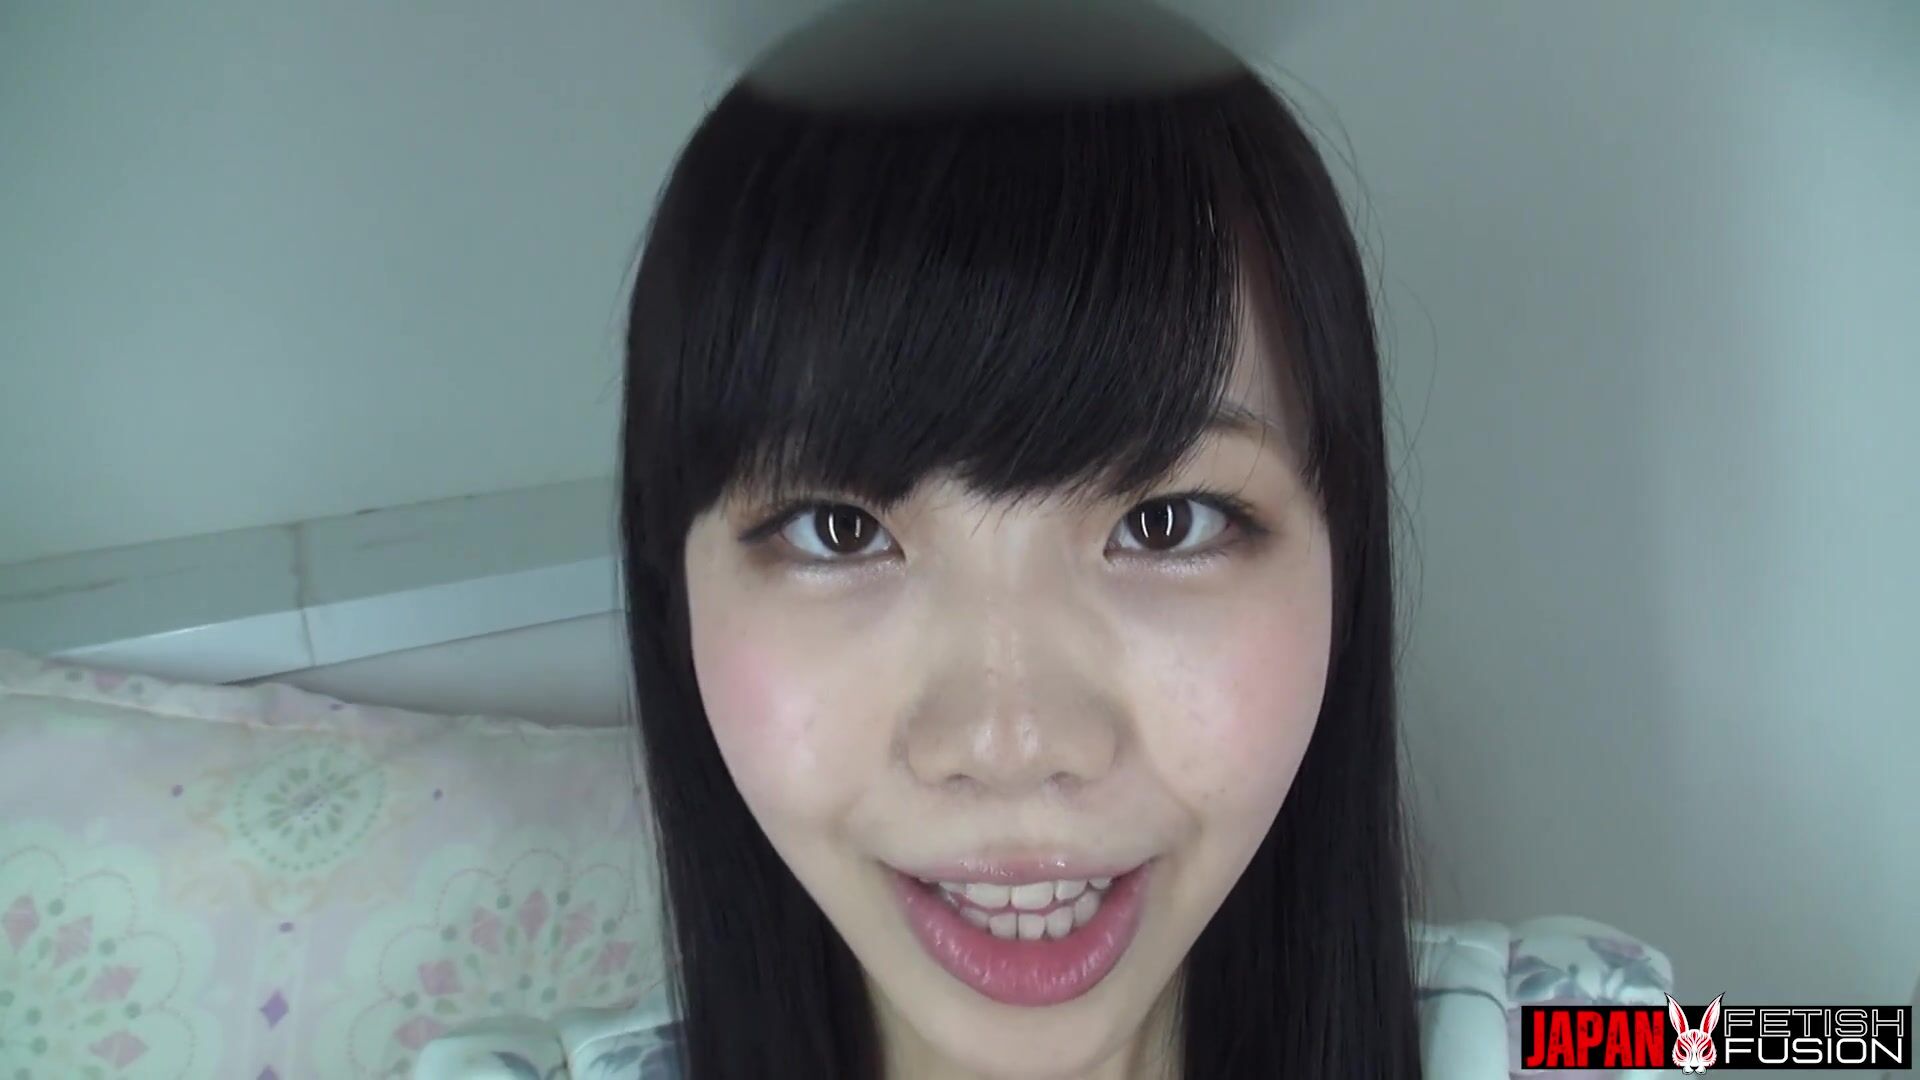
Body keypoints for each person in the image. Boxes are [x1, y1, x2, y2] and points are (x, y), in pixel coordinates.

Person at [417, 2, 1675, 1077]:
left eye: (1165, 522)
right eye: (839, 530)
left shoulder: (1585, 1030)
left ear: (1340, 559)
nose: (1012, 744)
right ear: (673, 586)